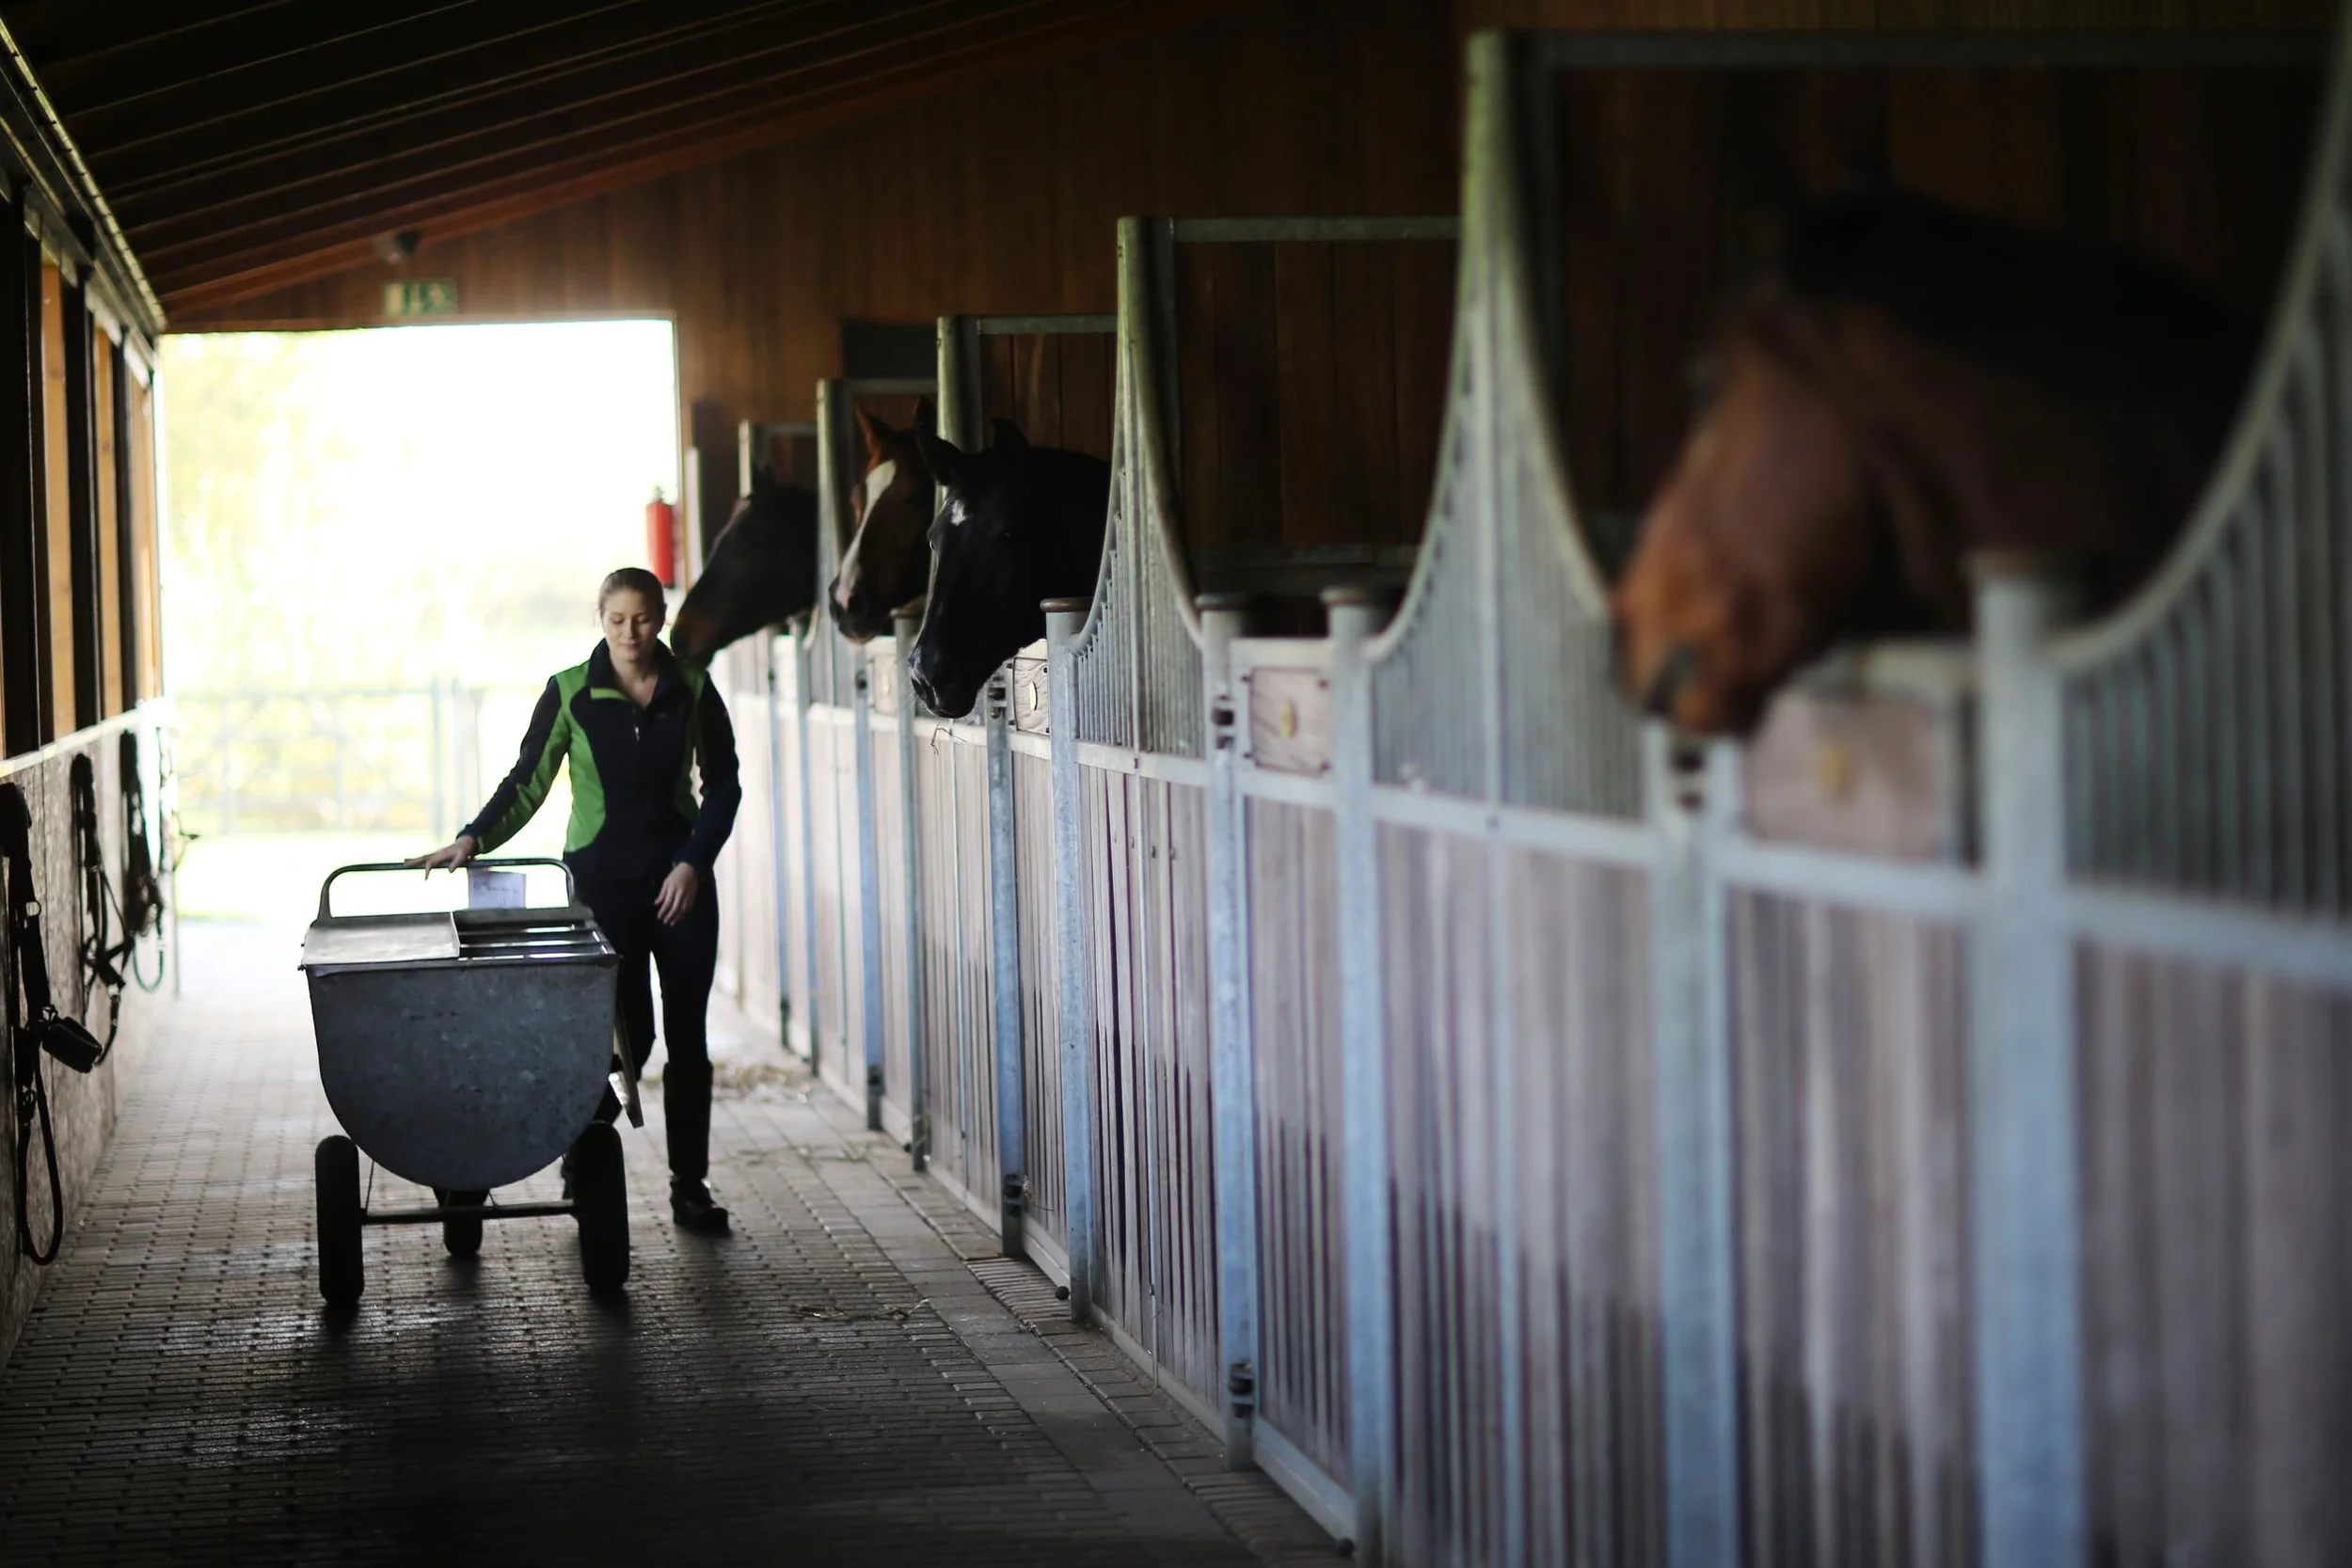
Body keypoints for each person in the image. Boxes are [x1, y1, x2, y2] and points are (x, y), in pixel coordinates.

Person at [410, 567, 740, 1233]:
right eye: (617, 619)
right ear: (600, 619)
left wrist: (692, 864)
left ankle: (689, 1184)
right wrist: (473, 837)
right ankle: (569, 1147)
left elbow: (724, 786)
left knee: (686, 1036)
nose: (631, 632)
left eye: (644, 618)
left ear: (662, 615)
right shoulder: (570, 693)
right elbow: (528, 781)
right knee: (623, 1037)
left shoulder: (694, 688)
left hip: (681, 891)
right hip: (600, 892)